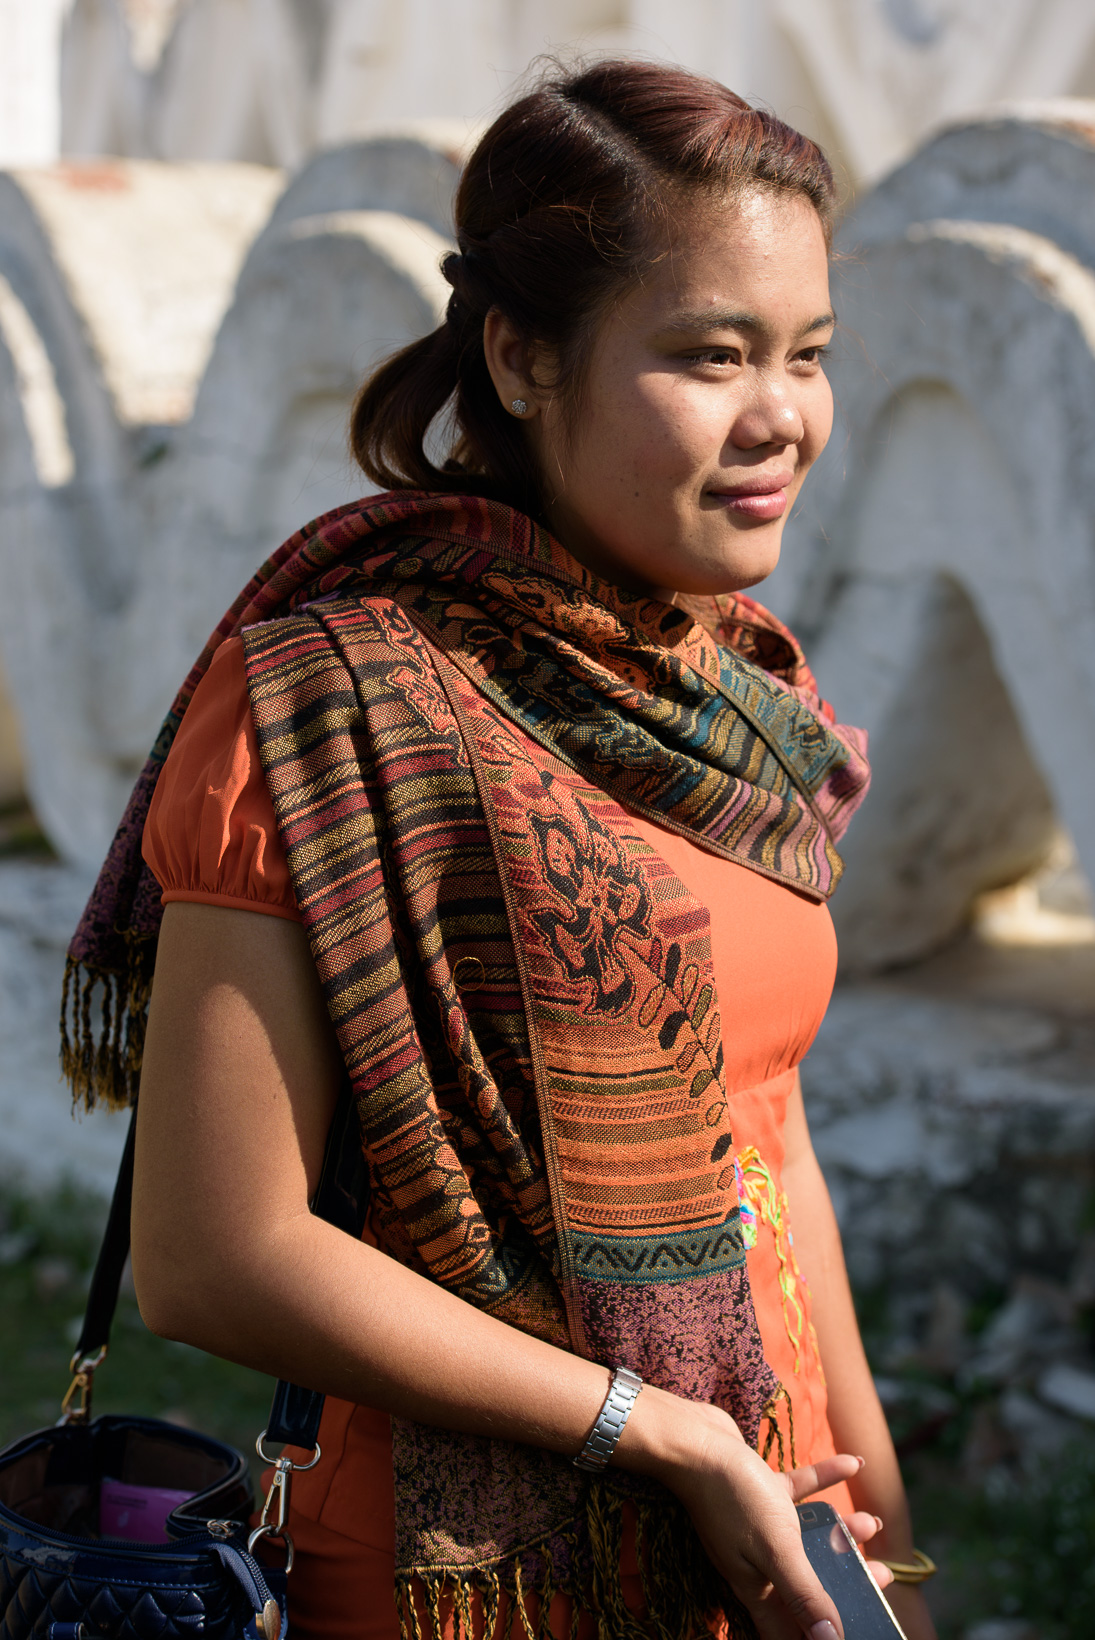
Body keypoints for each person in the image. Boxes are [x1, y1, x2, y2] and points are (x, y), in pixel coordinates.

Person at [64, 59, 937, 1640]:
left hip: (760, 1533)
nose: (782, 417)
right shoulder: (331, 709)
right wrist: (660, 1432)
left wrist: (870, 1519)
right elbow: (210, 1255)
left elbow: (770, 1140)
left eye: (807, 354)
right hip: (455, 1570)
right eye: (711, 354)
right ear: (525, 358)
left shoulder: (737, 694)